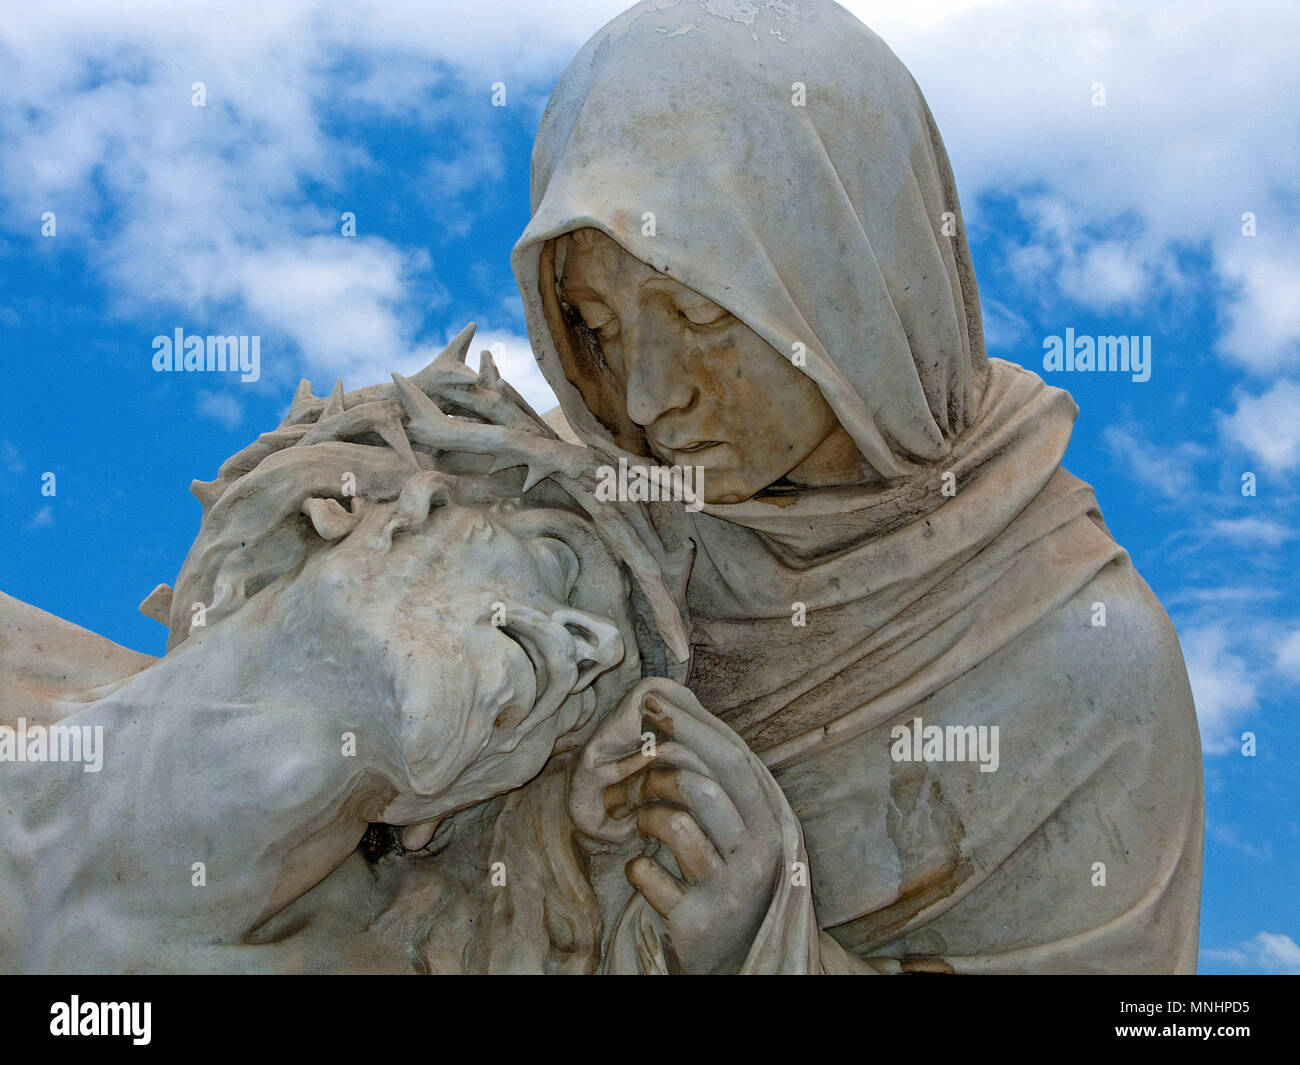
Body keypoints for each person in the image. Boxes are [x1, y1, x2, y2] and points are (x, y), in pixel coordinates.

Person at [513, 0, 1204, 973]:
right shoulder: (554, 530)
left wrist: (763, 943)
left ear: (849, 273)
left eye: (701, 311)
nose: (647, 392)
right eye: (600, 324)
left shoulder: (1087, 661)